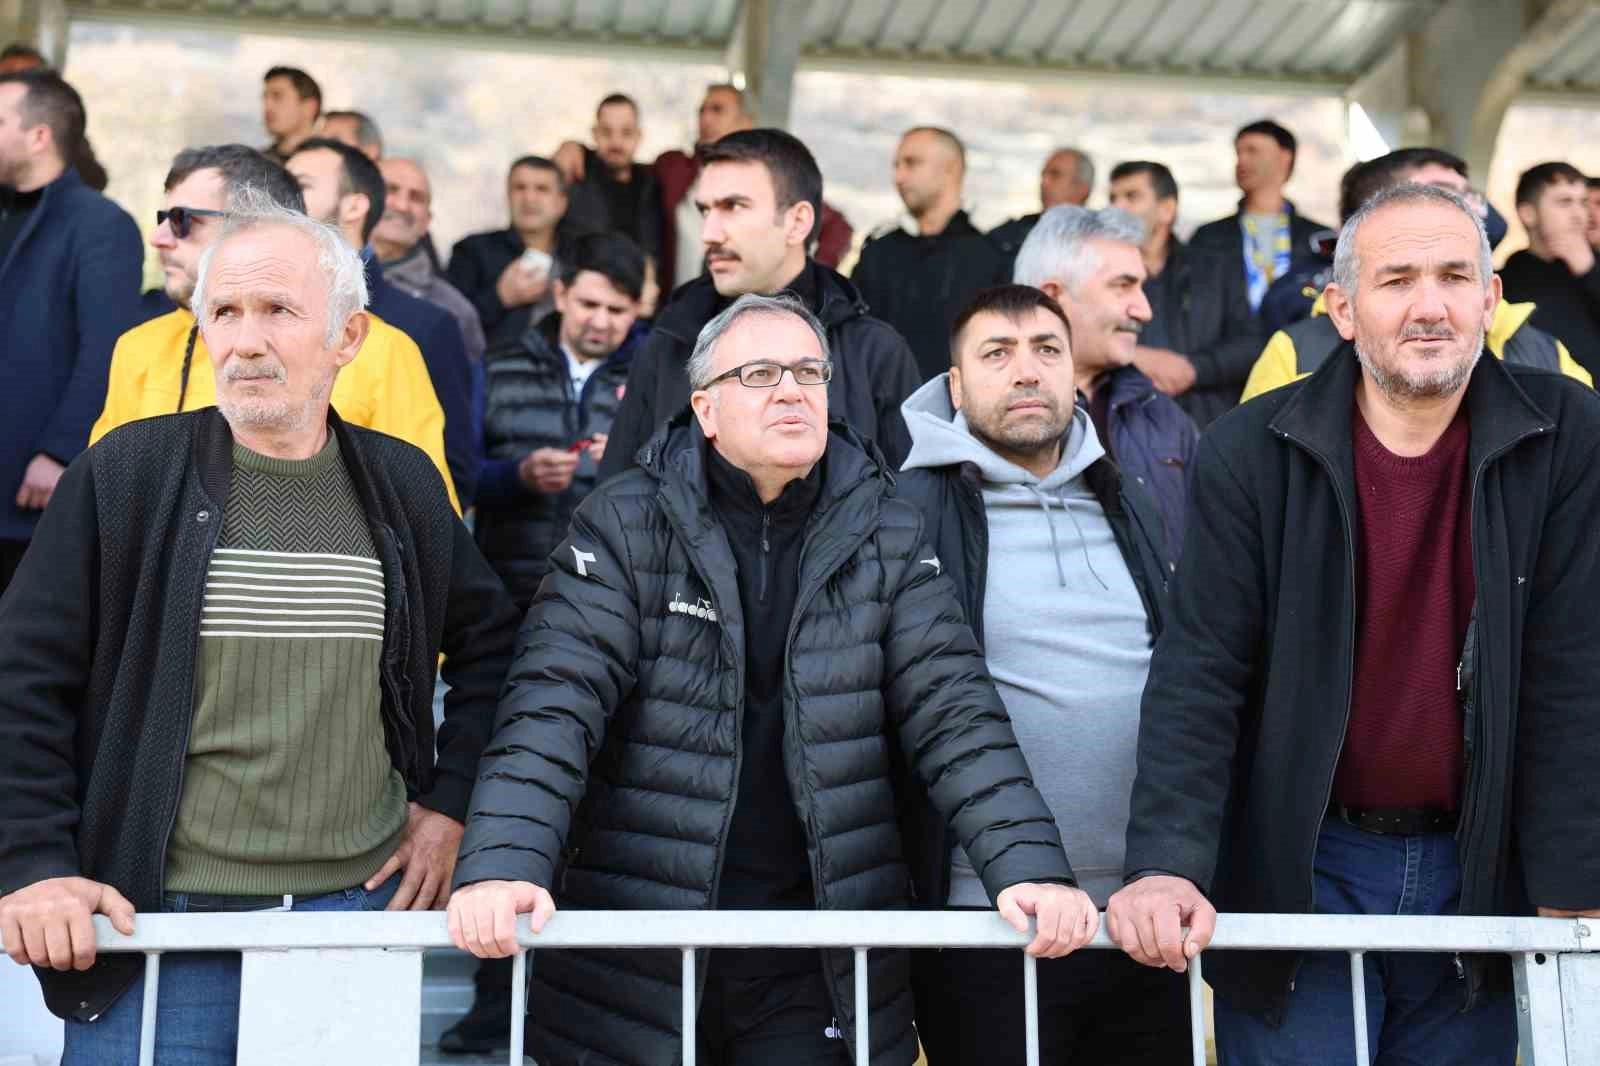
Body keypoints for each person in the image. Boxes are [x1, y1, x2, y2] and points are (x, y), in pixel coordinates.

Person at [446, 291, 1098, 1066]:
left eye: (808, 372)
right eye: (759, 374)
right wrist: (504, 864)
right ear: (705, 409)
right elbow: (554, 706)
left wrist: (1028, 866)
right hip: (638, 945)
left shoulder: (886, 527)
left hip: (815, 950)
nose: (791, 390)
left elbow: (954, 710)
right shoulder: (623, 523)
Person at [0, 189, 520, 1065]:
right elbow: (21, 681)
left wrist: (451, 804)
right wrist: (35, 865)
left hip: (351, 919)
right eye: (225, 313)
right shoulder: (124, 475)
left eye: (278, 310)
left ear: (347, 337)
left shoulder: (401, 486)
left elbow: (494, 646)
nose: (245, 341)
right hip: (154, 927)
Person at [1107, 182, 1600, 1065]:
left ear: (1491, 299)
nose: (1430, 306)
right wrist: (1167, 862)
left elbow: (1576, 664)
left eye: (1455, 277)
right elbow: (1202, 671)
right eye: (1397, 280)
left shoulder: (1567, 431)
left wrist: (1574, 876)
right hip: (1304, 858)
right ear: (1341, 309)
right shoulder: (1250, 450)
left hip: (1484, 862)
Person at [895, 285, 1183, 1064]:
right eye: (997, 353)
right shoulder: (904, 510)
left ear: (1073, 374)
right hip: (989, 920)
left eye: (1046, 350)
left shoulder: (1130, 496)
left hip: (1141, 914)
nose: (1026, 371)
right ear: (956, 387)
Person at [434, 232, 646, 1055]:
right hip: (512, 611)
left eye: (618, 309)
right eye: (588, 302)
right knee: (507, 809)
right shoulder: (501, 365)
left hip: (617, 624)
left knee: (598, 813)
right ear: (560, 296)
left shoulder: (648, 377)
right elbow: (459, 472)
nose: (600, 320)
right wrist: (516, 477)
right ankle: (494, 1001)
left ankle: (578, 1003)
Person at [90, 144, 460, 513]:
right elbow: (99, 503)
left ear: (253, 227)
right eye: (225, 314)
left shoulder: (382, 350)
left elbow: (426, 521)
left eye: (183, 220)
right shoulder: (139, 346)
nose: (158, 237)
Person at [599, 128, 920, 479]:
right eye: (705, 210)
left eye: (733, 207)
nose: (709, 233)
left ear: (797, 222)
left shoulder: (875, 354)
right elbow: (614, 495)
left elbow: (911, 502)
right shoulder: (671, 340)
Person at [1241, 148, 1592, 402]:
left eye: (1454, 278)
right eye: (1440, 194)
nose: (1472, 208)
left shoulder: (1545, 354)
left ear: (1490, 298)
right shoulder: (1295, 353)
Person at [0, 69, 141, 594]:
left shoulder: (101, 224)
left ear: (39, 135)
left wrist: (59, 450)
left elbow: (107, 348)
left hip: (27, 480)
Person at [287, 137, 480, 504]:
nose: (280, 198)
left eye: (300, 186)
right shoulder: (256, 311)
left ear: (356, 205)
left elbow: (450, 470)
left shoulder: (425, 325)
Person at [1013, 206, 1198, 566]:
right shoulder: (985, 422)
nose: (1144, 310)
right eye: (1123, 286)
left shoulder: (1164, 417)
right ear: (1052, 297)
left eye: (1141, 287)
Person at [556, 83, 853, 290]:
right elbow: (619, 162)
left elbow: (837, 227)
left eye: (717, 110)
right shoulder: (673, 168)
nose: (705, 118)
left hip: (742, 309)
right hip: (678, 314)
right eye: (701, 110)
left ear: (746, 122)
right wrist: (576, 148)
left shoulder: (770, 179)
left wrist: (803, 281)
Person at [1108, 160, 1262, 426]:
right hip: (1125, 426)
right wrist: (1133, 355)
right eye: (1113, 198)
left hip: (1206, 427)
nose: (1116, 208)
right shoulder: (1097, 275)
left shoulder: (1216, 269)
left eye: (1131, 196)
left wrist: (1194, 369)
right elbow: (1076, 340)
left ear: (1167, 209)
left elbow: (1251, 344)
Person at [853, 126, 1008, 381]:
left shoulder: (991, 260)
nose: (899, 177)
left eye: (912, 163)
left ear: (951, 169)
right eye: (896, 166)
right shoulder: (878, 254)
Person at [1189, 119, 1332, 313]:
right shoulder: (1208, 237)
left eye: (1252, 151)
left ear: (1284, 157)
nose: (1241, 161)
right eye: (1238, 153)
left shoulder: (1320, 240)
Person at [448, 155, 588, 347]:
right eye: (519, 188)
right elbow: (447, 325)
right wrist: (499, 297)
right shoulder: (472, 251)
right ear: (508, 196)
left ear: (561, 203)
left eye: (542, 189)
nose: (529, 198)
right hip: (494, 363)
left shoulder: (581, 255)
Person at [372, 156, 486, 367]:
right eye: (391, 190)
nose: (402, 205)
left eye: (416, 198)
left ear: (427, 222)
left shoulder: (453, 310)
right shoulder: (319, 274)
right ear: (360, 201)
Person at [1498, 162, 1600, 379]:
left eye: (1582, 202)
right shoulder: (1506, 282)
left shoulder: (1592, 267)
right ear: (1528, 214)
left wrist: (1589, 271)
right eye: (1565, 202)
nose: (1579, 214)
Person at [559, 93, 662, 263]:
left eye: (626, 132)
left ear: (638, 136)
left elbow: (651, 250)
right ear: (594, 134)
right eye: (606, 132)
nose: (616, 142)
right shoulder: (574, 172)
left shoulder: (650, 183)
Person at [989, 147, 1094, 265]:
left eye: (1055, 175)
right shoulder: (1011, 234)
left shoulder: (1099, 242)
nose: (1044, 182)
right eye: (1043, 174)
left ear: (1081, 188)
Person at [260, 65, 320, 165]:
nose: (267, 106)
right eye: (265, 97)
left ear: (309, 107)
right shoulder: (257, 163)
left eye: (277, 96)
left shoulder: (334, 163)